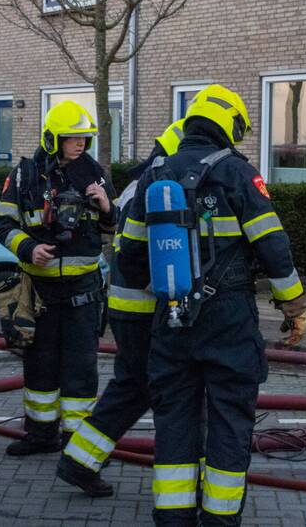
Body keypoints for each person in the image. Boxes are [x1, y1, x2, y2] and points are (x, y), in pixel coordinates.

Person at [117, 84, 306, 526]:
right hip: (228, 320)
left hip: (171, 320)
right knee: (229, 420)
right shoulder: (237, 174)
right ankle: (219, 519)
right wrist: (294, 306)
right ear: (228, 125)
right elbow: (273, 247)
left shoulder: (155, 174)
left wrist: (166, 293)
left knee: (175, 421)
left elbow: (128, 256)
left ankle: (173, 517)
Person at [57, 117, 189, 497]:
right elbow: (135, 253)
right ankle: (178, 473)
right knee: (159, 387)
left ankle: (79, 460)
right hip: (141, 309)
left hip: (128, 307)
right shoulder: (154, 187)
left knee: (132, 387)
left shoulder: (143, 182)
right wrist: (165, 286)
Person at [0, 100, 117, 456]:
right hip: (40, 294)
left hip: (83, 293)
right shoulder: (25, 175)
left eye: (84, 138)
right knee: (40, 366)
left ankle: (76, 443)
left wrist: (107, 206)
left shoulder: (95, 173)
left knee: (81, 371)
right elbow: (4, 224)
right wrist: (29, 248)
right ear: (53, 138)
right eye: (72, 138)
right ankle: (40, 435)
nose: (80, 144)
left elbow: (114, 226)